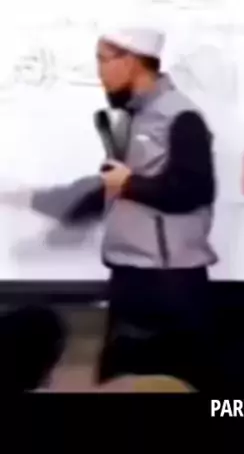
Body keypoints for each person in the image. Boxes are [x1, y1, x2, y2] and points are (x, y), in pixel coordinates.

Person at [4, 27, 218, 388]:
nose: (99, 71)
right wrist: (29, 199)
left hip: (171, 282)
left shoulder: (180, 117)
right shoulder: (132, 117)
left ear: (132, 61)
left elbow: (196, 189)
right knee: (117, 383)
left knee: (186, 382)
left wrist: (130, 183)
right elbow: (108, 189)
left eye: (103, 60)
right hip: (130, 277)